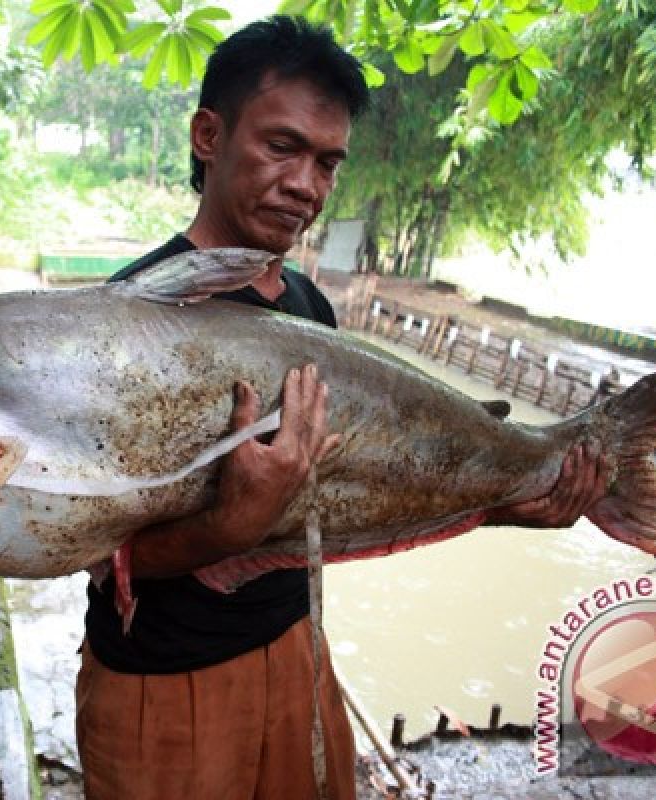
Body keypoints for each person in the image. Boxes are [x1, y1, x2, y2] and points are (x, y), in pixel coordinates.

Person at [76, 15, 607, 800]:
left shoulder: (307, 308)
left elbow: (346, 494)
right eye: (281, 147)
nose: (306, 186)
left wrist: (506, 505)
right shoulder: (135, 318)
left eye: (327, 163)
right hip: (166, 681)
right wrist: (232, 525)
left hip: (296, 648)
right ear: (208, 136)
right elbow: (93, 553)